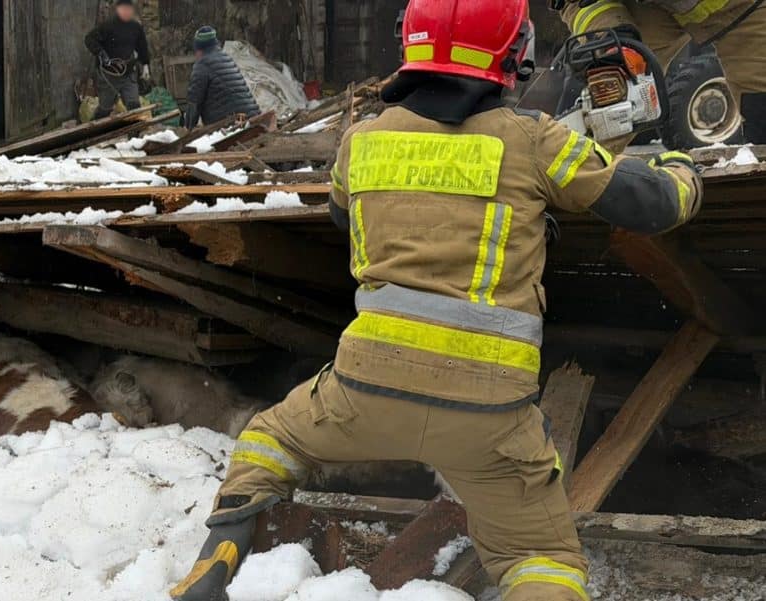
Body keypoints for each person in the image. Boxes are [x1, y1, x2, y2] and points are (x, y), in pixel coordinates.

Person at [169, 1, 703, 600]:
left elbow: (351, 218)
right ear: (515, 54)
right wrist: (676, 158)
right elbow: (653, 205)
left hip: (362, 394)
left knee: (269, 440)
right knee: (541, 558)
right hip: (489, 417)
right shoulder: (532, 141)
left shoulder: (360, 141)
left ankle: (221, 548)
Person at [554, 0, 766, 145]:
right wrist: (609, 33)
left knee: (761, 107)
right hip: (642, 10)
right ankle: (564, 187)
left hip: (737, 6)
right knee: (615, 93)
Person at [84, 0, 151, 120]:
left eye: (128, 9)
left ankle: (134, 137)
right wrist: (101, 53)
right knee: (105, 109)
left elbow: (142, 47)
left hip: (128, 73)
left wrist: (145, 65)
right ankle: (94, 133)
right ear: (118, 9)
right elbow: (89, 39)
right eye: (123, 9)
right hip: (108, 74)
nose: (126, 11)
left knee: (134, 106)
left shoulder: (136, 27)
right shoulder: (107, 26)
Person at [183, 26, 261, 130]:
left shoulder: (202, 65)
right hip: (252, 118)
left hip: (230, 126)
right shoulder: (227, 58)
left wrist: (188, 128)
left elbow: (194, 102)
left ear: (199, 49)